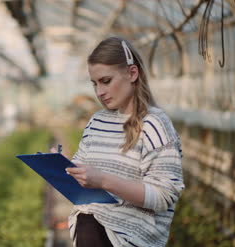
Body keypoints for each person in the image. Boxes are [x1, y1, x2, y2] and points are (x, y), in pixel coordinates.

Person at [61, 37, 184, 247]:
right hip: (89, 231)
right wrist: (63, 165)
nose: (99, 92)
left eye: (106, 81)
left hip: (128, 239)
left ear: (132, 73)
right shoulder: (97, 122)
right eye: (94, 83)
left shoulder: (154, 124)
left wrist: (103, 180)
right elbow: (83, 181)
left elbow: (164, 195)